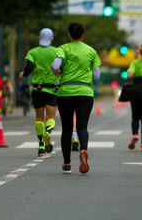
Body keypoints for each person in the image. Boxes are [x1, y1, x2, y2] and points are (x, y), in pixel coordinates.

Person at [51, 21, 101, 174]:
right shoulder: (91, 51)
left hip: (65, 92)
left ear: (68, 34)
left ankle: (67, 164)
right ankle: (83, 150)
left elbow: (54, 66)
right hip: (85, 93)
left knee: (66, 129)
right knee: (82, 127)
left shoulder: (63, 48)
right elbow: (97, 76)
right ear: (83, 34)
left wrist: (58, 71)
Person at [19, 28, 59, 157]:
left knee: (39, 117)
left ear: (39, 38)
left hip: (38, 88)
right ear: (52, 39)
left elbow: (29, 68)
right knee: (51, 117)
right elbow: (62, 68)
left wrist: (23, 74)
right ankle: (48, 132)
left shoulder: (32, 52)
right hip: (53, 89)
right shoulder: (57, 51)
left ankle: (41, 147)